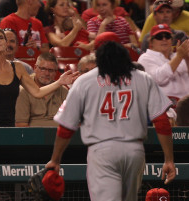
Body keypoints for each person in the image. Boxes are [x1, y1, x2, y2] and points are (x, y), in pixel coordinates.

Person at [45, 36, 176, 201]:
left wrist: (55, 159)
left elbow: (66, 127)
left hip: (102, 150)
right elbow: (162, 122)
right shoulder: (143, 78)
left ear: (97, 54)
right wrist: (169, 159)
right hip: (134, 151)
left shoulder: (85, 81)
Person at [15, 52, 68, 127]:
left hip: (60, 136)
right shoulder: (23, 90)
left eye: (51, 70)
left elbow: (72, 121)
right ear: (35, 68)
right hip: (35, 136)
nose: (46, 73)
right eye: (43, 69)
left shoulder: (63, 91)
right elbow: (21, 125)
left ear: (56, 72)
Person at [138, 24, 189, 99]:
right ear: (151, 42)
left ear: (171, 40)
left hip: (185, 101)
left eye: (167, 36)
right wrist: (179, 57)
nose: (164, 39)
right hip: (166, 105)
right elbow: (159, 78)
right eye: (159, 37)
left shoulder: (177, 55)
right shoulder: (145, 58)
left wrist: (187, 58)